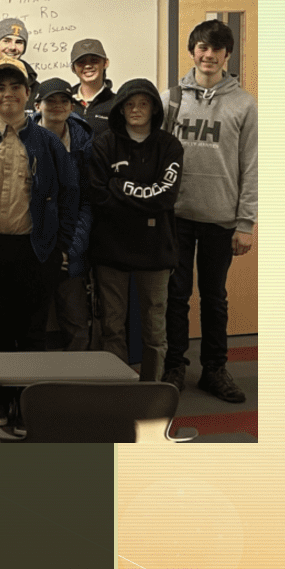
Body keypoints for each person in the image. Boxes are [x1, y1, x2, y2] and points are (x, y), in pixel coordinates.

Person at [0, 58, 79, 431]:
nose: (8, 94)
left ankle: (26, 398)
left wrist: (61, 245)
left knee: (33, 331)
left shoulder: (47, 142)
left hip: (36, 251)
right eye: (0, 88)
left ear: (28, 94)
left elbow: (71, 194)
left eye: (15, 88)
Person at [161, 20, 257, 402]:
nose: (209, 55)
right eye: (202, 47)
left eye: (217, 49)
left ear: (227, 55)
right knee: (176, 295)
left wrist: (245, 222)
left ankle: (214, 369)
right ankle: (175, 365)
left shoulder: (244, 103)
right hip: (177, 217)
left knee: (214, 298)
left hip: (221, 218)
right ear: (192, 51)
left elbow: (250, 165)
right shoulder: (171, 98)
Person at [85, 79, 184, 381]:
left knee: (155, 326)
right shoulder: (103, 145)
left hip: (155, 251)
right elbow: (98, 196)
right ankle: (118, 386)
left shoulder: (170, 146)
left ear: (154, 108)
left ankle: (152, 387)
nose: (136, 110)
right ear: (121, 109)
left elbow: (165, 197)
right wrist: (139, 196)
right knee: (112, 325)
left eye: (143, 104)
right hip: (111, 249)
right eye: (130, 104)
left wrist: (120, 186)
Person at [33, 79, 96, 351]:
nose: (57, 106)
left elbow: (87, 202)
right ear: (38, 105)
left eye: (63, 101)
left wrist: (71, 248)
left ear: (73, 106)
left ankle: (77, 387)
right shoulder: (19, 139)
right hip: (32, 249)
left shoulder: (84, 145)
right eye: (51, 101)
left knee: (76, 322)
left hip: (70, 249)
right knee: (30, 321)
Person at [67, 38, 116, 137]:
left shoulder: (117, 103)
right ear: (73, 68)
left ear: (105, 63)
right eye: (81, 62)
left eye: (94, 60)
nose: (88, 66)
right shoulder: (65, 102)